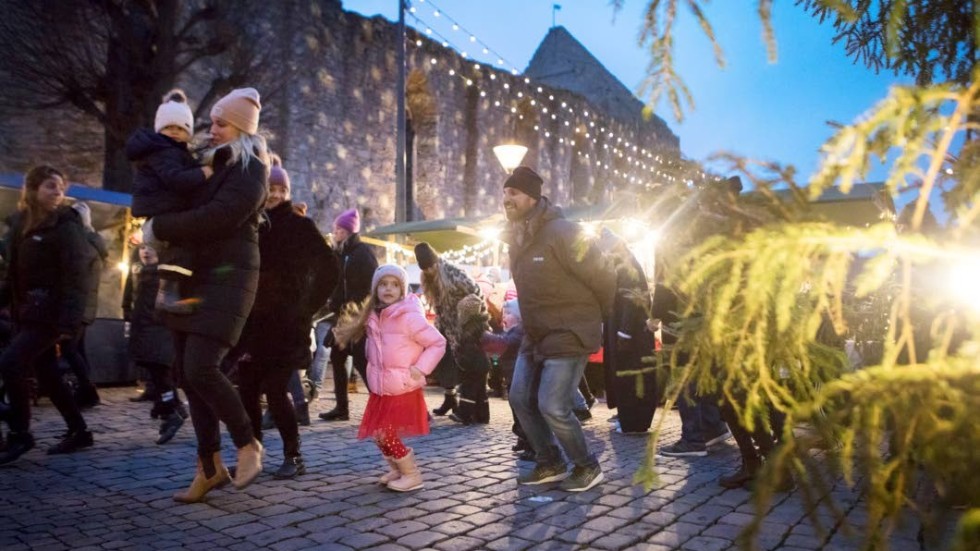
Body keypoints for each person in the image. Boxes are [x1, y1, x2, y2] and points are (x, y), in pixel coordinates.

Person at [141, 87, 267, 501]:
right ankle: (209, 467)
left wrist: (161, 228)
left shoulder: (251, 170)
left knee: (200, 368)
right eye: (211, 121)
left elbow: (217, 217)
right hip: (193, 276)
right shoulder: (212, 163)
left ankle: (248, 443)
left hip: (228, 281)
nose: (210, 129)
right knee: (186, 375)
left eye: (220, 123)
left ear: (241, 129)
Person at [501, 166, 615, 492]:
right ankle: (549, 461)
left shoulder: (564, 231)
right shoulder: (516, 236)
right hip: (535, 333)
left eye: (513, 193)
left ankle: (587, 466)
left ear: (532, 196)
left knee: (553, 405)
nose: (506, 198)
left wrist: (592, 318)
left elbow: (604, 276)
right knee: (520, 398)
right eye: (505, 193)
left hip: (569, 330)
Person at [236, 155, 339, 479]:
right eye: (271, 188)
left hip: (285, 324)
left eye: (281, 189)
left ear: (287, 191)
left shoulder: (298, 225)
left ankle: (293, 456)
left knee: (276, 389)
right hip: (251, 324)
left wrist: (308, 306)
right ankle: (251, 456)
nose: (275, 194)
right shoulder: (250, 224)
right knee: (247, 390)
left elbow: (329, 267)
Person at [0, 166, 96, 464]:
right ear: (32, 189)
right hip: (26, 311)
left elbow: (76, 276)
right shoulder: (20, 224)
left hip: (51, 313)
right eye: (50, 186)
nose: (58, 193)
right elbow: (12, 275)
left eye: (60, 187)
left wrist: (69, 321)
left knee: (11, 362)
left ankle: (20, 434)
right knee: (48, 375)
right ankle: (79, 431)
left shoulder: (66, 224)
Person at [332, 264, 445, 492]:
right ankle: (398, 469)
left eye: (395, 285)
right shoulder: (375, 314)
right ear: (375, 289)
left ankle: (412, 475)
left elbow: (437, 342)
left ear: (402, 289)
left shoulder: (409, 316)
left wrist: (421, 368)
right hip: (381, 387)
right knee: (378, 434)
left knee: (385, 432)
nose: (388, 289)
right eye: (383, 284)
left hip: (402, 385)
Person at [126, 89, 213, 314]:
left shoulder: (170, 152)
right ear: (160, 129)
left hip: (162, 209)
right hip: (163, 210)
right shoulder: (164, 152)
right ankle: (167, 294)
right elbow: (175, 179)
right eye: (169, 127)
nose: (174, 132)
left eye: (180, 128)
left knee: (179, 250)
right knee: (183, 247)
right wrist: (204, 173)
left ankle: (169, 292)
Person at [123, 244, 188, 444]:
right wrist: (127, 314)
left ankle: (170, 410)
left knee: (161, 371)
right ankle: (172, 407)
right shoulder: (138, 270)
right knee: (154, 370)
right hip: (143, 325)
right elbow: (130, 297)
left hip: (159, 327)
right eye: (143, 247)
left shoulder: (164, 272)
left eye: (151, 247)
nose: (146, 251)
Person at [415, 242, 485, 418]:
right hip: (444, 326)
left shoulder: (453, 273)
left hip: (463, 326)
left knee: (464, 366)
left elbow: (476, 292)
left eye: (431, 266)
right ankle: (450, 398)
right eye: (425, 269)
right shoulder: (428, 278)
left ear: (435, 261)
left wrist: (469, 318)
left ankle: (467, 407)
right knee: (445, 363)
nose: (429, 271)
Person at [320, 208, 377, 422]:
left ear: (347, 231)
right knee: (337, 356)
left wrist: (359, 312)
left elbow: (370, 286)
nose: (334, 233)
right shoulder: (341, 253)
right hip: (343, 316)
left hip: (359, 317)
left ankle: (381, 405)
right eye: (335, 229)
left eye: (338, 230)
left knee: (362, 361)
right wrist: (334, 306)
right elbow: (337, 286)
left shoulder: (362, 253)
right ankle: (341, 407)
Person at [599, 228, 658, 434]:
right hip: (625, 329)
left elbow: (632, 300)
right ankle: (629, 417)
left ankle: (633, 420)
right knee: (626, 375)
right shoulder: (623, 263)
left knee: (630, 374)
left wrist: (624, 332)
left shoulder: (625, 266)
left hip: (630, 333)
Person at [60, 201, 109, 409]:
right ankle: (85, 391)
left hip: (78, 306)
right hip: (82, 305)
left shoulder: (85, 243)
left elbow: (76, 275)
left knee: (70, 348)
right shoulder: (92, 242)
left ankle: (88, 391)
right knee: (76, 349)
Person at [481, 299, 528, 454]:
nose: (504, 317)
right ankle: (522, 438)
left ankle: (529, 441)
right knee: (516, 411)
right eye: (503, 314)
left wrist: (487, 336)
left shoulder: (520, 331)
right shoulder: (509, 331)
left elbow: (506, 343)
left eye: (508, 314)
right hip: (510, 377)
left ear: (518, 316)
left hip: (519, 377)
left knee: (522, 412)